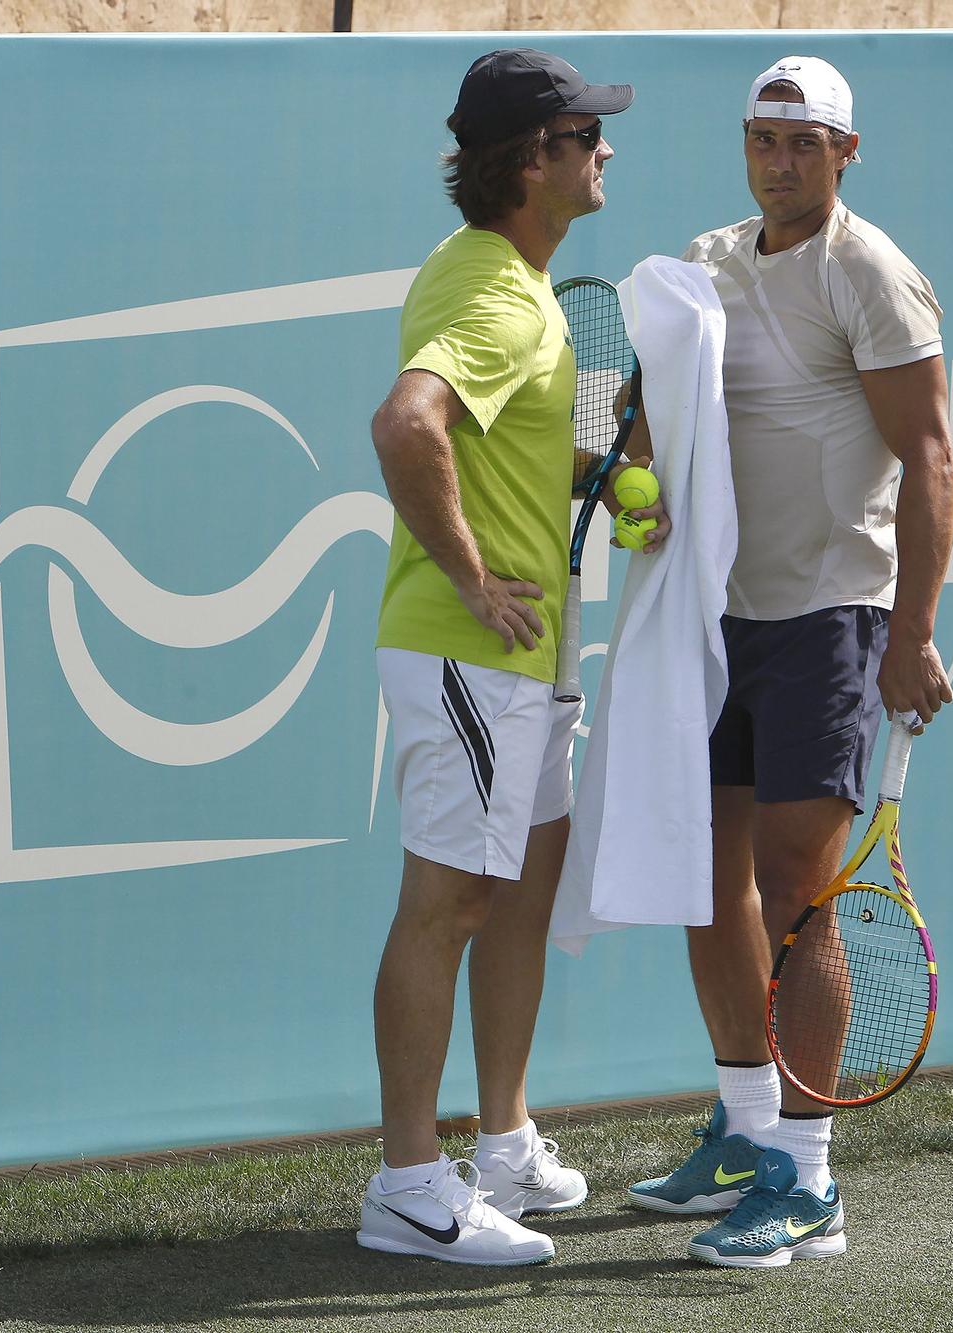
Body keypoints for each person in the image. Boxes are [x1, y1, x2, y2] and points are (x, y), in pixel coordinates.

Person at [623, 55, 953, 1268]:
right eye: (764, 138)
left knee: (798, 892)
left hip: (828, 613)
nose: (780, 159)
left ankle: (808, 1181)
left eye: (804, 142)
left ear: (844, 154)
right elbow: (651, 407)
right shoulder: (708, 263)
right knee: (711, 883)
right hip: (714, 615)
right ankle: (748, 1127)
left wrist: (910, 629)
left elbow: (927, 457)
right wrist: (637, 481)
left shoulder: (868, 274)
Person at [357, 47, 651, 1267]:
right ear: (534, 159)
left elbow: (517, 450)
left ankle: (503, 1144)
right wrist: (473, 576)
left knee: (521, 886)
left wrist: (606, 479)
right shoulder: (488, 289)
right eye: (587, 135)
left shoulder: (509, 280)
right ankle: (408, 1181)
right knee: (453, 899)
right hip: (469, 654)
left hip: (526, 667)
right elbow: (406, 420)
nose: (605, 151)